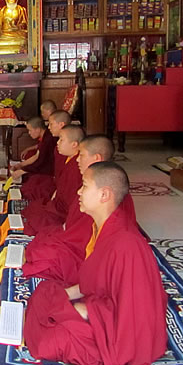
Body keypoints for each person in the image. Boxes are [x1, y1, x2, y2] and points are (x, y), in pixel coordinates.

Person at [24, 162, 167, 365]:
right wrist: (65, 296)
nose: (78, 192)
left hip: (120, 333)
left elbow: (135, 310)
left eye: (84, 186)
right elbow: (97, 280)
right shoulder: (102, 227)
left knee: (49, 341)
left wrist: (87, 311)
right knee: (44, 294)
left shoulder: (127, 244)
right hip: (98, 305)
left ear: (104, 195)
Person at [23, 135, 119, 285]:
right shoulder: (91, 178)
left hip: (87, 251)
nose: (77, 160)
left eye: (81, 155)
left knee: (45, 254)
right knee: (43, 238)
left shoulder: (107, 188)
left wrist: (65, 234)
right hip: (74, 231)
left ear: (97, 157)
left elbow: (87, 238)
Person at [23, 124, 84, 236]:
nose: (57, 143)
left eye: (61, 140)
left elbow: (72, 200)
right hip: (58, 201)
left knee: (37, 221)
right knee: (34, 208)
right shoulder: (69, 158)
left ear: (74, 144)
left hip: (64, 211)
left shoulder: (77, 166)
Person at [21, 110, 71, 202]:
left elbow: (44, 162)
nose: (48, 127)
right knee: (30, 186)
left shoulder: (53, 140)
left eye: (51, 124)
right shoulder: (53, 139)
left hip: (54, 180)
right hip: (54, 178)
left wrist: (23, 169)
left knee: (33, 189)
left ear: (61, 124)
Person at [10, 117, 56, 183]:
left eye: (30, 130)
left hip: (49, 171)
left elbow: (41, 162)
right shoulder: (45, 136)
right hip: (44, 166)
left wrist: (22, 171)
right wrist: (20, 165)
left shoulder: (48, 139)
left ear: (37, 129)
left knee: (31, 181)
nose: (29, 133)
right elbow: (37, 156)